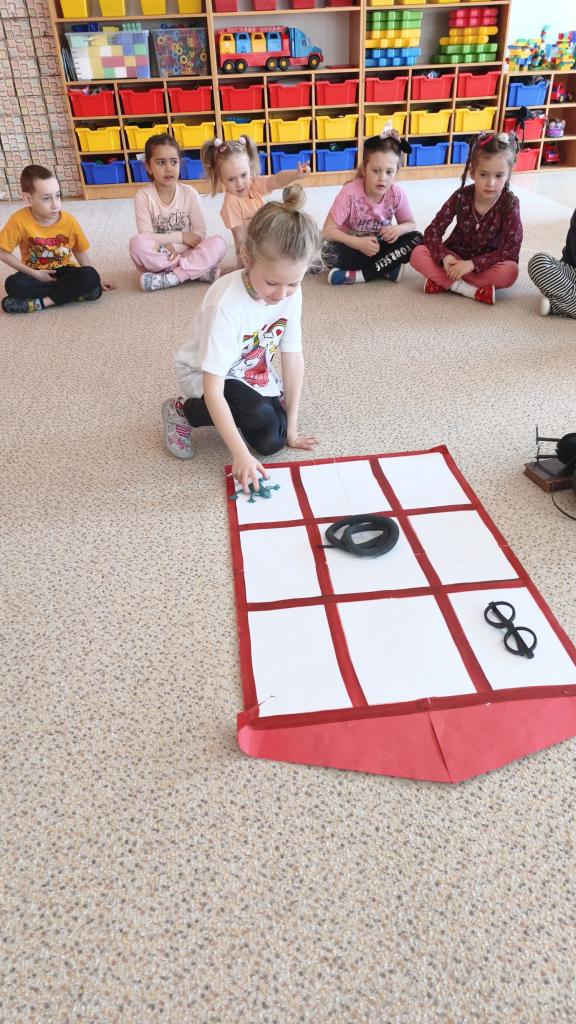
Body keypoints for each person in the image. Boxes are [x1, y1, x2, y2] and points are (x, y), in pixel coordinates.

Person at [162, 185, 320, 493]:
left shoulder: (291, 292)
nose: (282, 294)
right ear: (246, 259)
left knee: (273, 442)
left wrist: (293, 428)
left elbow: (293, 356)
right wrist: (240, 455)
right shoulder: (225, 307)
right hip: (206, 374)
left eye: (293, 283)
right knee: (258, 414)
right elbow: (214, 388)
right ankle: (182, 410)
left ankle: (262, 409)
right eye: (272, 283)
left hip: (250, 367)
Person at [410, 130, 522, 306]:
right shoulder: (461, 196)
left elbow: (511, 249)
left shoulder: (510, 203)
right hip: (454, 258)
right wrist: (444, 257)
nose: (490, 183)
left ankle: (445, 282)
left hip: (486, 265)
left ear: (508, 174)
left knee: (510, 270)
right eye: (483, 174)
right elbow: (432, 231)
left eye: (499, 175)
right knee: (417, 254)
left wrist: (471, 264)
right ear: (472, 172)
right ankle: (472, 291)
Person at [0, 164, 113, 314]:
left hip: (64, 272)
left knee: (91, 276)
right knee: (13, 284)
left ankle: (42, 303)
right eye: (47, 198)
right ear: (28, 199)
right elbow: (2, 251)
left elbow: (79, 251)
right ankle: (72, 293)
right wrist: (34, 273)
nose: (56, 204)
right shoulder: (18, 220)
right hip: (36, 273)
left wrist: (97, 280)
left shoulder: (69, 221)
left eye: (58, 195)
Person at [321, 125, 423, 285]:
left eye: (389, 172)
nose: (382, 178)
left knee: (417, 238)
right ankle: (387, 268)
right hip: (353, 246)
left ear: (396, 172)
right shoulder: (349, 193)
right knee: (327, 253)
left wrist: (397, 229)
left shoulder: (397, 194)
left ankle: (361, 275)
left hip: (381, 245)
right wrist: (358, 243)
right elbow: (327, 232)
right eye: (376, 171)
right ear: (364, 170)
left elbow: (410, 224)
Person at [129, 133, 226, 291]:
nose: (169, 168)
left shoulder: (190, 193)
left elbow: (199, 234)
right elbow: (146, 237)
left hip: (186, 251)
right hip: (161, 254)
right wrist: (181, 237)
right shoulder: (143, 196)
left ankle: (171, 277)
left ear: (179, 163)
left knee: (219, 244)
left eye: (174, 162)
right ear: (148, 166)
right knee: (136, 244)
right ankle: (196, 271)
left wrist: (176, 247)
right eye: (161, 162)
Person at [201, 135, 310, 265]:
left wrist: (296, 174)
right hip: (251, 254)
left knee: (296, 230)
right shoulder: (230, 204)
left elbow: (276, 180)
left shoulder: (254, 184)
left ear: (250, 168)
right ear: (221, 178)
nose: (239, 183)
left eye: (243, 175)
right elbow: (241, 238)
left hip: (269, 240)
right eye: (231, 179)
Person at [528, 209, 576, 318]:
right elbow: (570, 254)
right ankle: (565, 304)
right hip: (572, 273)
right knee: (538, 262)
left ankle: (557, 305)